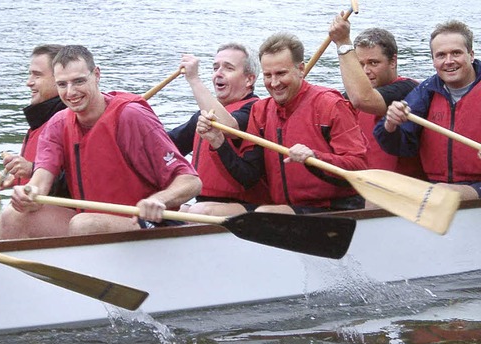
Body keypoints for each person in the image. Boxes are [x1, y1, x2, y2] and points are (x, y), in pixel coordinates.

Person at [0, 45, 201, 238]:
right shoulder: (57, 124)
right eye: (62, 84)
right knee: (13, 216)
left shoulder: (131, 116)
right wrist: (28, 194)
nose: (70, 93)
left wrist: (160, 199)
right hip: (93, 223)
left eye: (78, 81)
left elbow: (191, 181)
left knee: (84, 224)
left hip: (147, 223)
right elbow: (39, 182)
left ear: (96, 75)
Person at [197, 32, 368, 214]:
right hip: (288, 209)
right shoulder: (260, 111)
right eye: (268, 75)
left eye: (281, 73)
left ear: (301, 69)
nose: (274, 83)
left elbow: (359, 167)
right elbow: (248, 177)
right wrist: (218, 142)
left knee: (266, 213)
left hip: (336, 208)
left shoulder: (331, 105)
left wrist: (315, 158)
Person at [0, 44, 72, 241]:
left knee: (13, 217)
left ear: (59, 79)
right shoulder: (40, 122)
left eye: (37, 75)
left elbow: (79, 180)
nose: (29, 83)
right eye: (30, 75)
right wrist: (13, 179)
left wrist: (31, 169)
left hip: (64, 220)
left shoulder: (69, 122)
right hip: (37, 216)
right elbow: (41, 170)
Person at [374, 20, 481, 200]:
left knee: (444, 193)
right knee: (376, 197)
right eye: (441, 55)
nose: (449, 61)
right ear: (433, 60)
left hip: (474, 186)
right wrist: (391, 124)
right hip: (435, 184)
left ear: (470, 55)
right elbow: (403, 146)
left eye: (456, 53)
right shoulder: (426, 92)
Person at [167, 43, 268, 216]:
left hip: (248, 206)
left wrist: (194, 80)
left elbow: (229, 126)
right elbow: (165, 144)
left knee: (198, 210)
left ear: (249, 79)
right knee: (162, 206)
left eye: (228, 68)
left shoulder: (254, 110)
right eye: (215, 68)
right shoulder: (203, 115)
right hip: (205, 202)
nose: (218, 74)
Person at [329, 16, 425, 179]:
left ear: (393, 61)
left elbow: (364, 99)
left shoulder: (409, 90)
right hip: (362, 185)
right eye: (360, 64)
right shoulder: (350, 97)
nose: (365, 71)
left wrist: (343, 43)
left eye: (373, 63)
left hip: (398, 189)